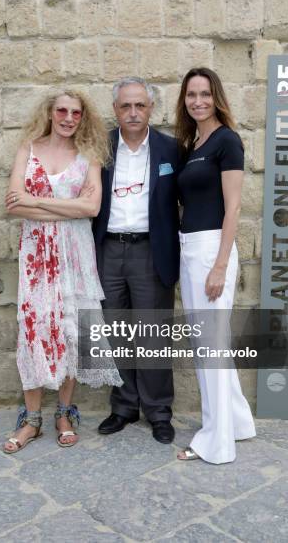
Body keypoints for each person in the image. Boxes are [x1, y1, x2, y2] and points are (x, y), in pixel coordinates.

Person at [3, 89, 122, 453]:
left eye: (75, 112)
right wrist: (63, 206)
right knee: (35, 328)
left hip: (75, 253)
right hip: (37, 254)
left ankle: (65, 414)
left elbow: (91, 207)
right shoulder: (29, 148)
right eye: (62, 111)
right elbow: (13, 205)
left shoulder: (89, 156)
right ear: (50, 113)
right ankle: (33, 419)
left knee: (72, 331)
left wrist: (35, 200)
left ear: (82, 117)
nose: (69, 118)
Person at [93, 77, 182, 444]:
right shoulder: (98, 147)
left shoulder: (171, 149)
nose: (133, 112)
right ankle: (124, 406)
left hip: (151, 251)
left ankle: (159, 411)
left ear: (150, 109)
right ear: (115, 110)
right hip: (108, 249)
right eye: (125, 106)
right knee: (116, 333)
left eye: (140, 105)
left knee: (152, 333)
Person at [175, 67, 256, 464]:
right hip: (189, 249)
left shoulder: (227, 141)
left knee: (210, 348)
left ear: (216, 96)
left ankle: (215, 442)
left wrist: (221, 265)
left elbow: (234, 206)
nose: (198, 101)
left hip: (211, 251)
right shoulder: (195, 142)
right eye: (191, 95)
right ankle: (238, 423)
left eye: (205, 94)